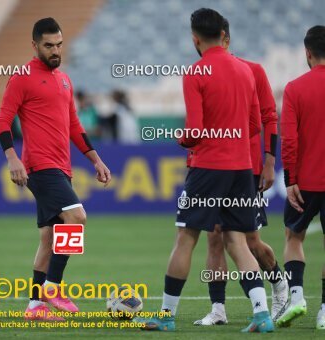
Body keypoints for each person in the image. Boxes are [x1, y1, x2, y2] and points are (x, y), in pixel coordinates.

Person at [134, 8, 273, 332]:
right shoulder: (245, 71)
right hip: (242, 168)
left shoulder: (196, 73)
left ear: (195, 38)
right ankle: (262, 314)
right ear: (223, 35)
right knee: (237, 241)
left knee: (186, 237)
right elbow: (255, 124)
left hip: (209, 167)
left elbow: (195, 131)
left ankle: (167, 316)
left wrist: (181, 139)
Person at [0, 17, 111, 321]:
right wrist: (12, 158)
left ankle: (35, 307)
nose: (55, 50)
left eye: (59, 44)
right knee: (76, 217)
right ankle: (53, 287)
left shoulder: (64, 79)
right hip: (39, 165)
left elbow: (74, 125)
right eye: (49, 45)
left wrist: (95, 159)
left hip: (62, 167)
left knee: (49, 238)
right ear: (35, 45)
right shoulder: (21, 77)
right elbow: (3, 122)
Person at [193, 18, 288, 326]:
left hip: (246, 169)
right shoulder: (203, 74)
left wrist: (270, 162)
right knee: (214, 237)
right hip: (214, 167)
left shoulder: (251, 70)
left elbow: (269, 117)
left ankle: (279, 285)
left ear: (226, 39)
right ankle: (218, 309)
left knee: (250, 240)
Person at [276, 25, 325, 330]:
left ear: (307, 53)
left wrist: (290, 177)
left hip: (305, 179)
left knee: (294, 236)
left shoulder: (295, 88)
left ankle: (296, 298)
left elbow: (289, 138)